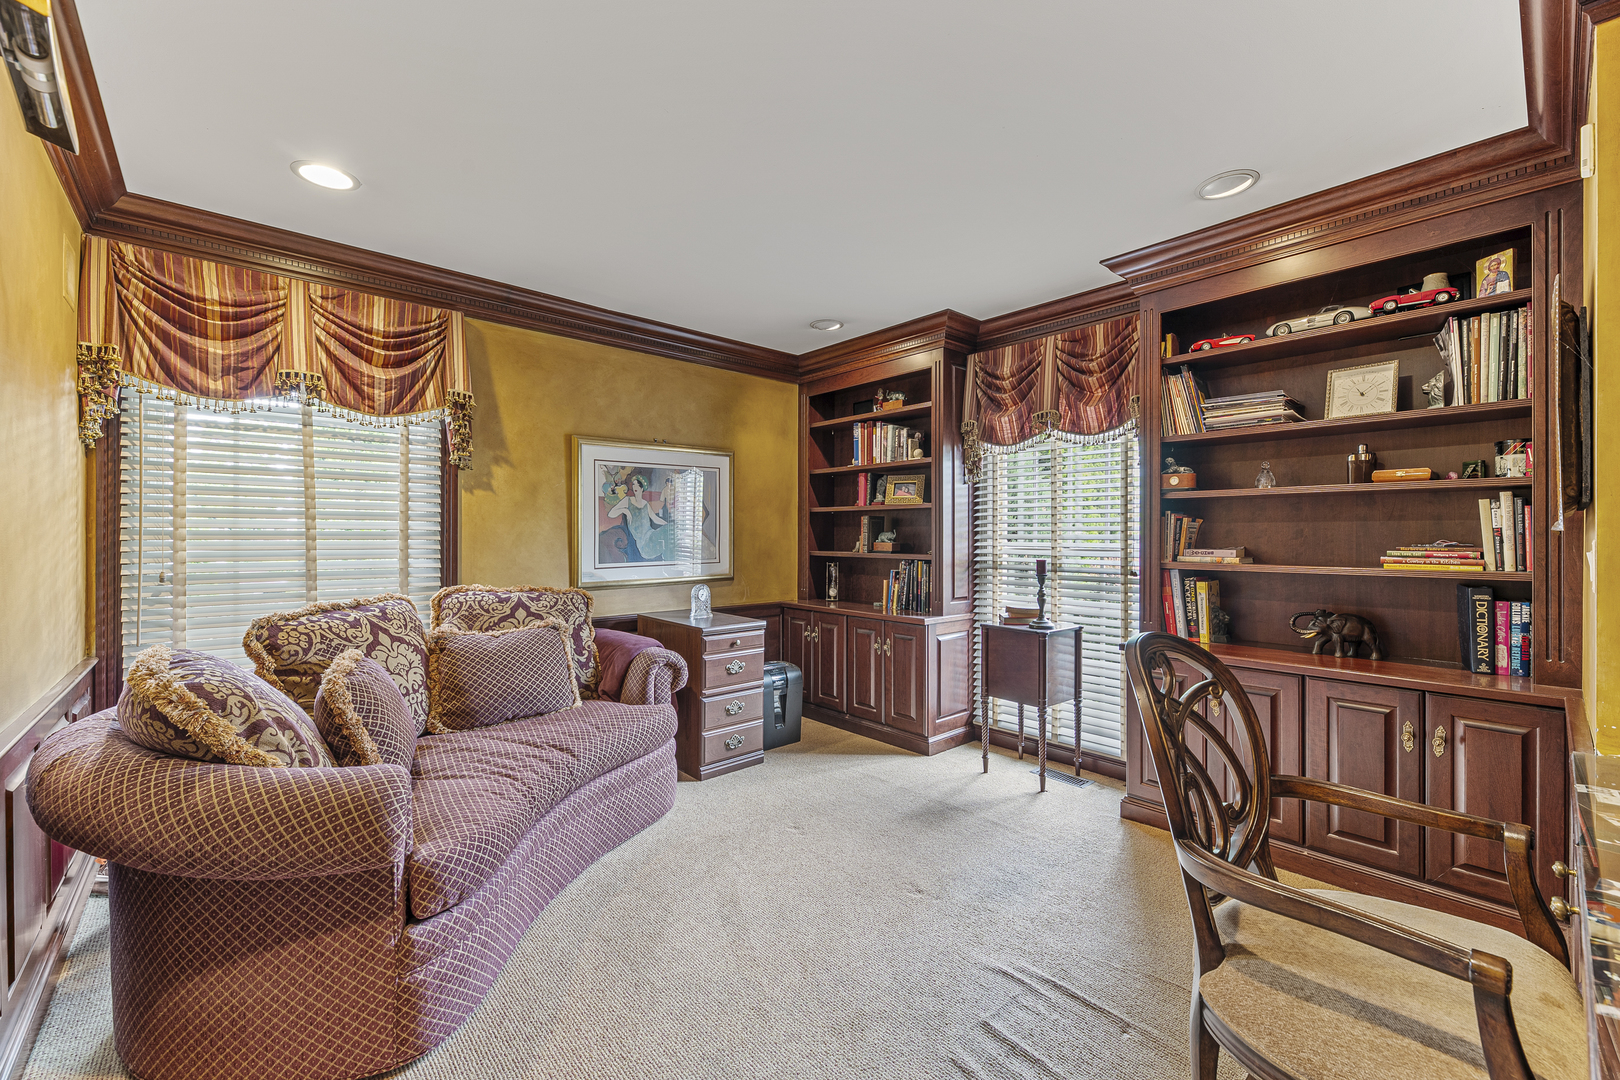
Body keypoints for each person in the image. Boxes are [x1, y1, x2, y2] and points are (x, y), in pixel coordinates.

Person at [604, 474, 684, 562]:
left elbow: (655, 518)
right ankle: (670, 561)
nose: (635, 487)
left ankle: (671, 562)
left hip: (651, 536)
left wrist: (667, 524)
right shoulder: (628, 500)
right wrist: (624, 510)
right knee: (669, 534)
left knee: (671, 529)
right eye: (634, 484)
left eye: (638, 485)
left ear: (642, 488)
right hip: (644, 545)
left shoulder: (645, 504)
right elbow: (610, 514)